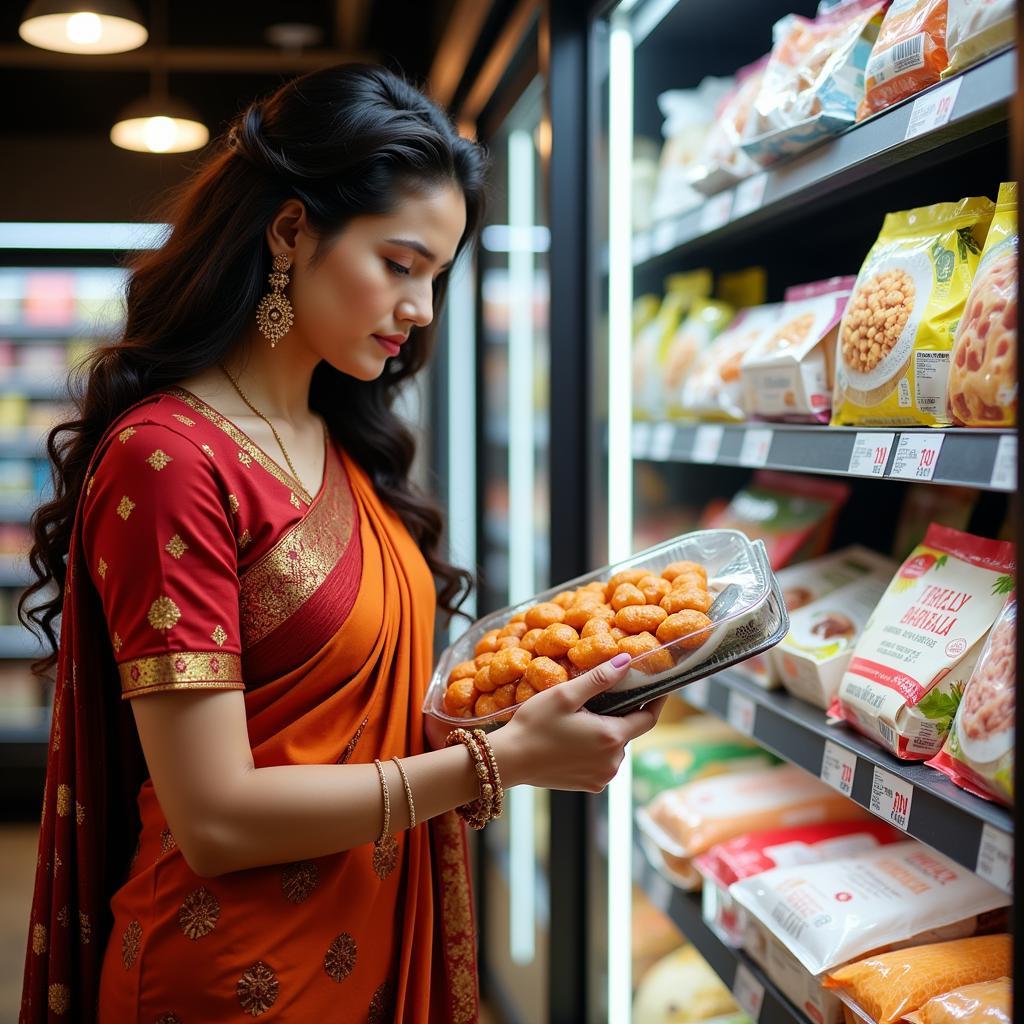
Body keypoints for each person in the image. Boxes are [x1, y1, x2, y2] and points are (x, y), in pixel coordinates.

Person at [19, 64, 663, 1023]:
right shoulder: (168, 460)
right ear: (290, 232)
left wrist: (503, 712)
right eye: (399, 265)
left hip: (363, 948)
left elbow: (341, 717)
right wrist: (499, 764)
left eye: (437, 277)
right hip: (228, 982)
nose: (423, 310)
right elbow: (217, 818)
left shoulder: (335, 442)